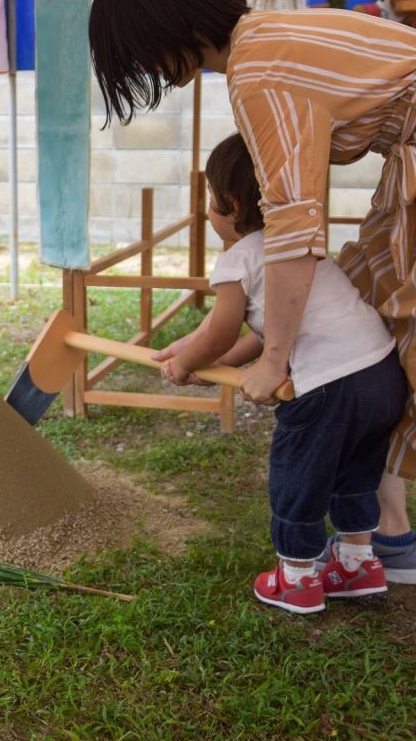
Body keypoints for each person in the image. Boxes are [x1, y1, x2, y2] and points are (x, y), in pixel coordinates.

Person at [88, 0, 416, 584]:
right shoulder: (273, 37)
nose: (144, 67)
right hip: (402, 174)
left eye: (140, 48)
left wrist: (271, 362)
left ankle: (368, 550)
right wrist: (243, 350)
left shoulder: (259, 70)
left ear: (173, 25)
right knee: (380, 313)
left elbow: (295, 227)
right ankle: (389, 544)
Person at [159, 133, 406, 612]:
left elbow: (220, 331)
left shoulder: (237, 259)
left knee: (299, 472)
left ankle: (296, 578)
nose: (210, 214)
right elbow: (269, 331)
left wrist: (189, 362)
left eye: (210, 203)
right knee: (356, 470)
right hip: (380, 372)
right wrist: (206, 362)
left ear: (230, 203)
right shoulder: (299, 243)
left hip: (329, 385)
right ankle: (357, 566)